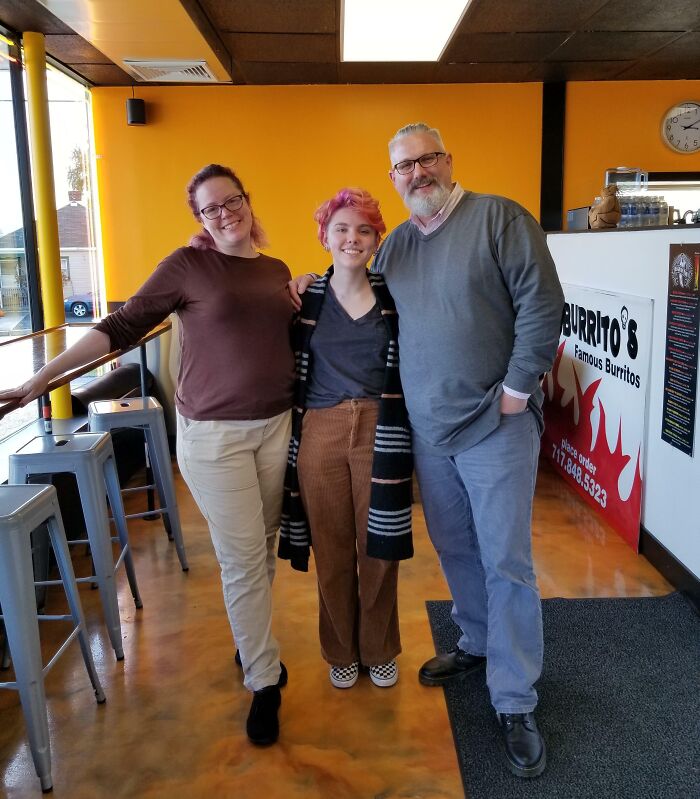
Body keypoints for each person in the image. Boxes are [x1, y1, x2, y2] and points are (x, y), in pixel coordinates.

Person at [291, 124, 564, 778]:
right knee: (456, 548)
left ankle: (515, 697)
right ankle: (474, 638)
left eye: (424, 159)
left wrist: (519, 389)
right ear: (394, 178)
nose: (416, 172)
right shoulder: (398, 249)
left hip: (496, 426)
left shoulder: (499, 218)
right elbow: (354, 287)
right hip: (427, 435)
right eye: (402, 166)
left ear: (446, 160)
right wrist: (302, 276)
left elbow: (542, 302)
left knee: (506, 561)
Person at [0, 164, 297, 747]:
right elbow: (122, 324)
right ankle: (265, 680)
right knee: (240, 559)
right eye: (210, 208)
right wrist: (43, 379)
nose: (224, 212)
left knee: (261, 547)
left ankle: (249, 642)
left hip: (277, 425)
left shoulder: (275, 268)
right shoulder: (187, 266)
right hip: (215, 437)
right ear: (200, 221)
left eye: (231, 200)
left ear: (246, 200)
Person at [278, 188, 413, 690]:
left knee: (379, 546)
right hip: (320, 428)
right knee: (331, 548)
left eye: (363, 230)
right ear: (324, 236)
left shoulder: (395, 293)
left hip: (383, 428)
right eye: (341, 228)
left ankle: (379, 647)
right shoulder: (304, 295)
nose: (352, 238)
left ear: (377, 239)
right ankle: (339, 649)